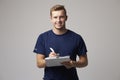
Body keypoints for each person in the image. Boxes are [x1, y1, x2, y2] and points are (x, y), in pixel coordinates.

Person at [33, 4, 88, 80]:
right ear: (51, 19)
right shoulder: (42, 37)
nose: (58, 20)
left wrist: (73, 64)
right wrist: (49, 60)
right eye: (55, 17)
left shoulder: (76, 38)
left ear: (66, 18)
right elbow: (39, 64)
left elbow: (84, 62)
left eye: (61, 17)